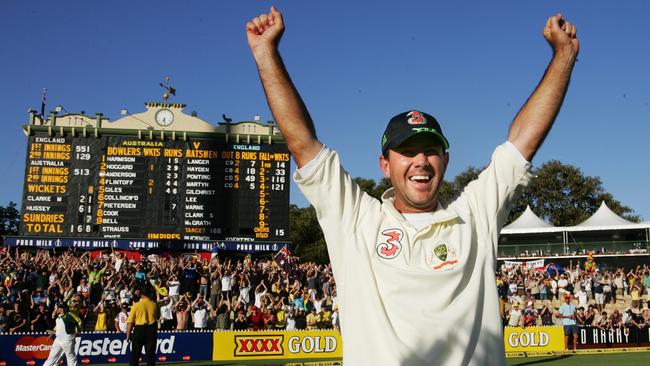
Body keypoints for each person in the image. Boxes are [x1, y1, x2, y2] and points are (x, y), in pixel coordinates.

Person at [246, 6, 579, 365]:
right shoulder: (356, 219)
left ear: (445, 161)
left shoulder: (474, 217)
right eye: (407, 151)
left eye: (430, 151)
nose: (420, 161)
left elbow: (521, 144)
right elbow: (302, 143)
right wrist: (267, 53)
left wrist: (564, 56)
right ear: (385, 165)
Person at [126, 285, 159, 366]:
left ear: (141, 294)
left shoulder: (136, 305)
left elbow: (130, 322)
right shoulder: (154, 305)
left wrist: (128, 335)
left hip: (139, 330)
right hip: (151, 330)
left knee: (135, 355)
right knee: (150, 355)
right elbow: (157, 317)